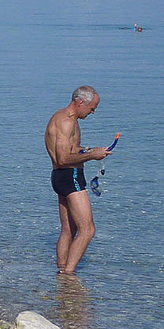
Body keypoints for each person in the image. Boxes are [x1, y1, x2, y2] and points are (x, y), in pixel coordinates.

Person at [44, 86, 109, 274]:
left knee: (68, 230)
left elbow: (69, 149)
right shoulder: (67, 122)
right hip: (69, 176)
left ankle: (62, 270)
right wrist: (92, 156)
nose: (93, 112)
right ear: (81, 103)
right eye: (91, 108)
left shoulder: (61, 116)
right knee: (88, 230)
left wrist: (90, 150)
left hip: (59, 178)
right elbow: (63, 159)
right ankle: (69, 275)